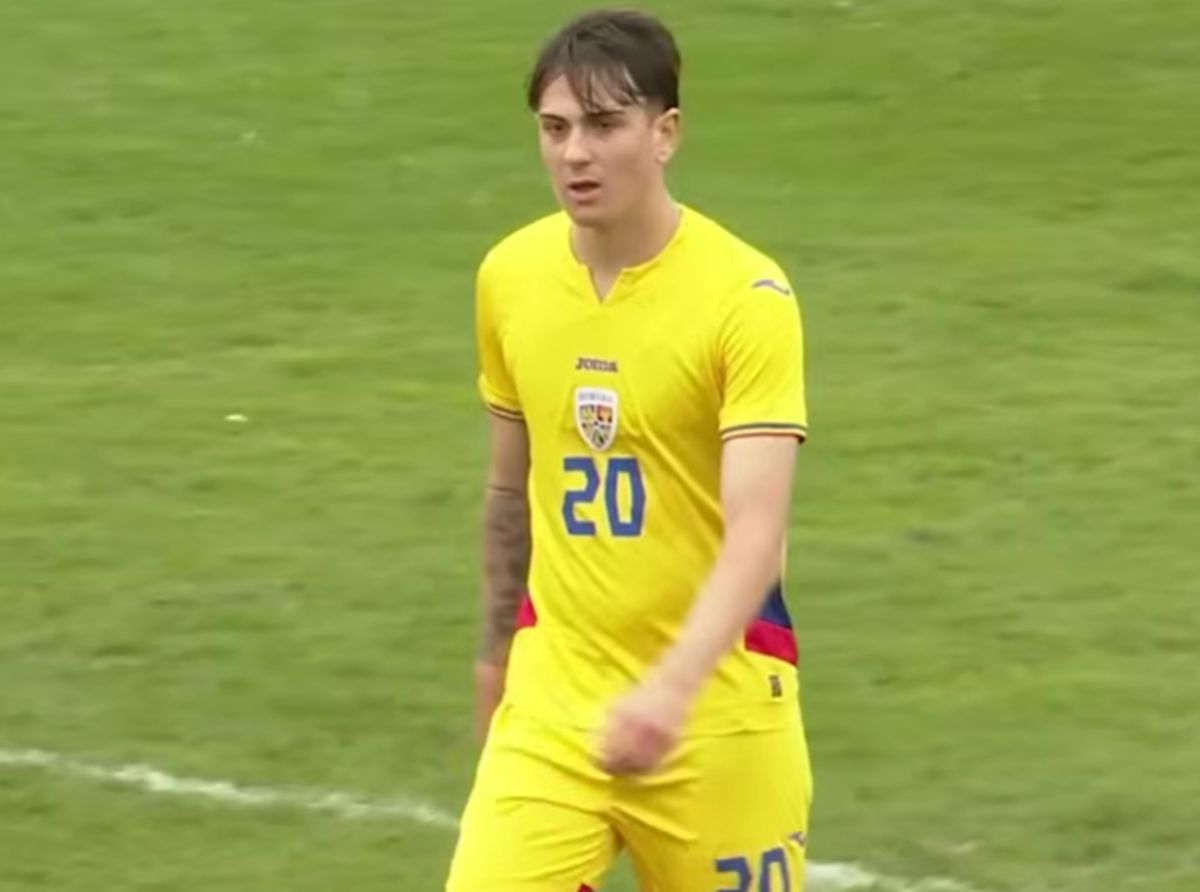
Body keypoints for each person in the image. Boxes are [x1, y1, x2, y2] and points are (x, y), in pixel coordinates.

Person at [446, 9, 812, 891]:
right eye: (555, 129)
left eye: (604, 125)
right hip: (554, 705)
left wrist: (669, 690)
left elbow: (757, 534)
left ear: (665, 133)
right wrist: (496, 659)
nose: (575, 154)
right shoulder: (510, 277)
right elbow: (510, 491)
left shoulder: (746, 299)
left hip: (717, 715)